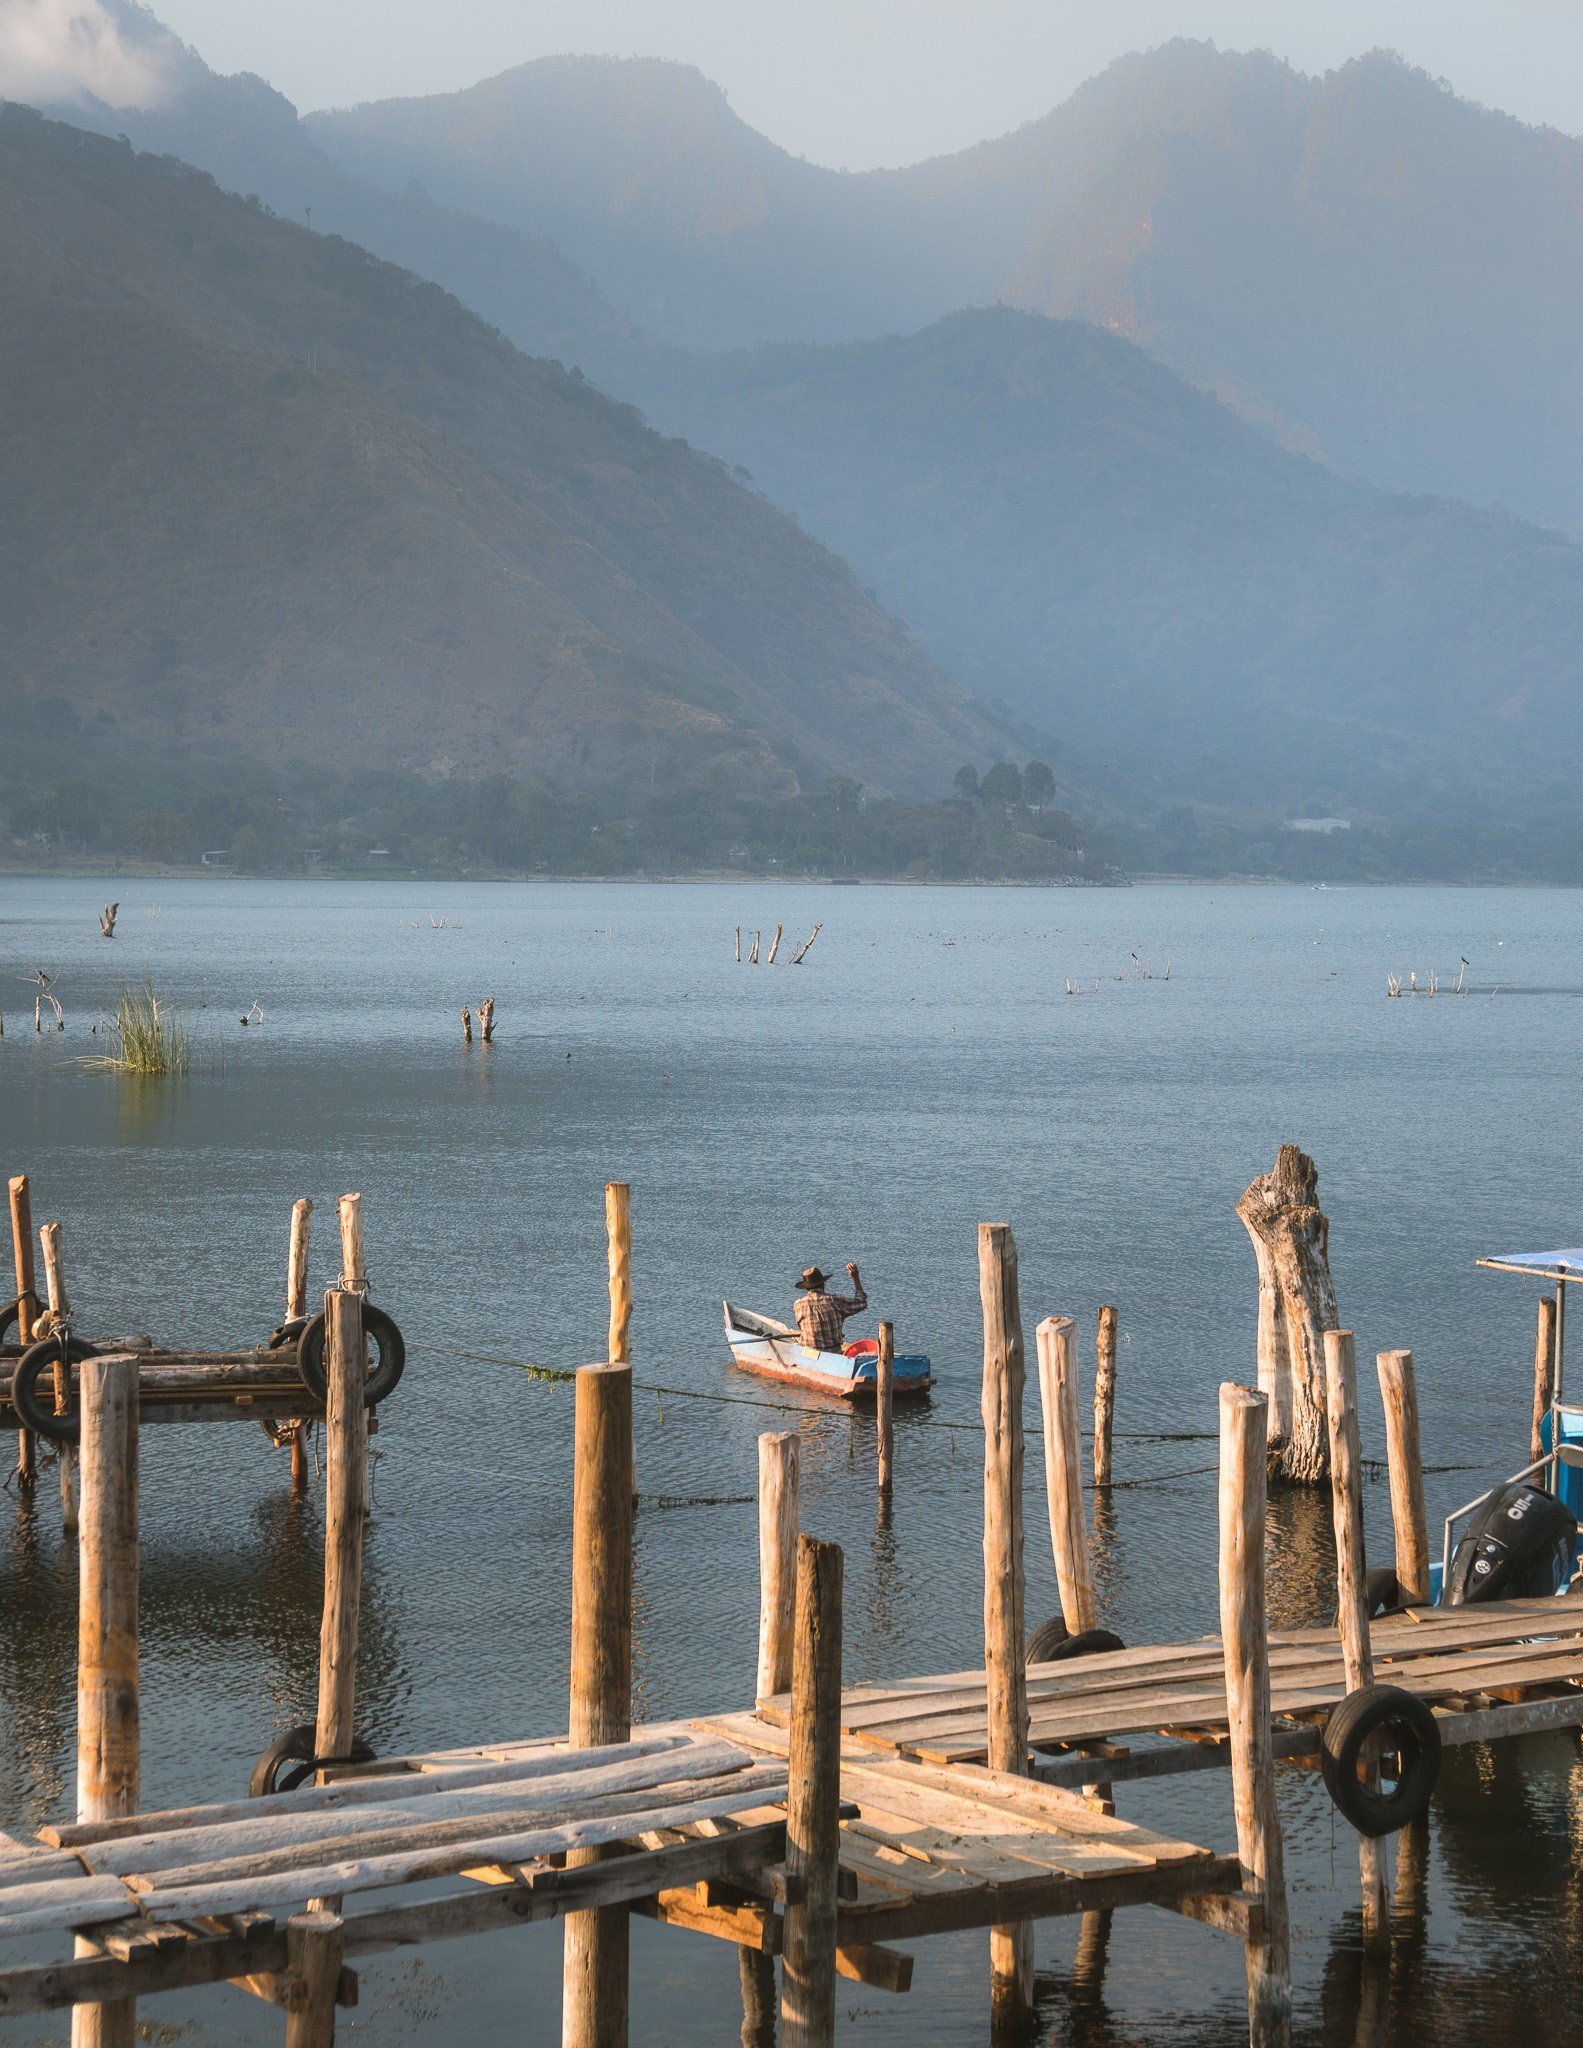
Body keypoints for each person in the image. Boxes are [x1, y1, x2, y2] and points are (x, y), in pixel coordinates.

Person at [794, 1261, 867, 1351]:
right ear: (823, 1284)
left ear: (806, 1287)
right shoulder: (835, 1301)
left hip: (809, 1353)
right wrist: (855, 1277)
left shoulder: (798, 1305)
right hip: (833, 1352)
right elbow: (861, 1303)